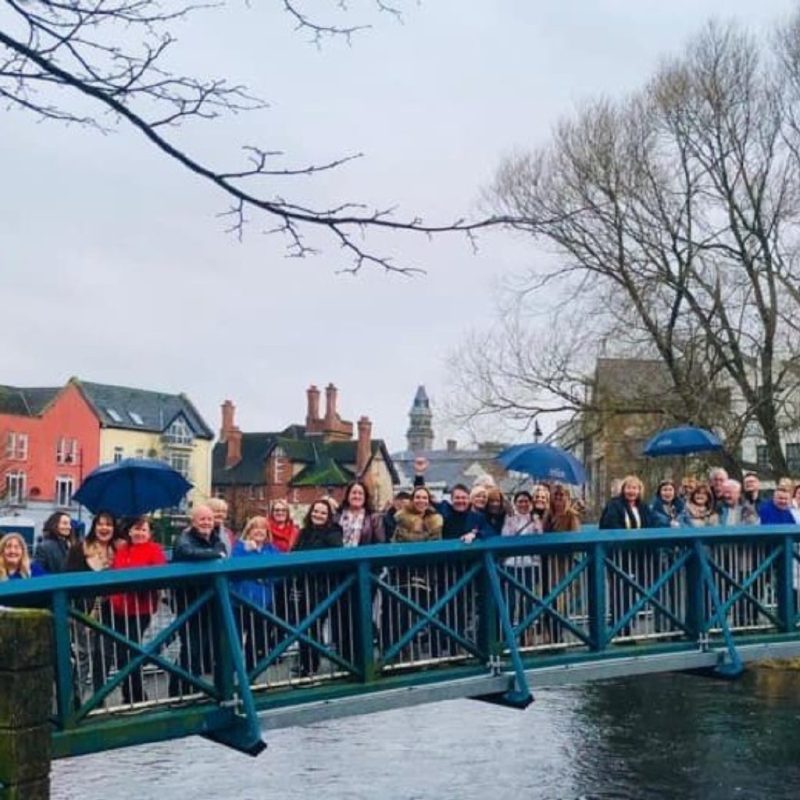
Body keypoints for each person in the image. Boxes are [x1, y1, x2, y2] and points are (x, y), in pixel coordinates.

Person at [65, 512, 125, 696]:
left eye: (109, 524)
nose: (104, 528)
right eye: (100, 524)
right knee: (82, 656)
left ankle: (99, 699)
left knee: (104, 656)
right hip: (82, 611)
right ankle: (75, 701)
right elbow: (68, 578)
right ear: (94, 526)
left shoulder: (119, 550)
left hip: (110, 611)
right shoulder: (79, 549)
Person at [170, 505, 227, 696]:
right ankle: (179, 690)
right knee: (191, 647)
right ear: (193, 522)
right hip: (189, 601)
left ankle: (197, 687)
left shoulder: (214, 538)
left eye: (209, 520)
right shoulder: (184, 539)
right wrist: (216, 556)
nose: (206, 523)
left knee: (206, 647)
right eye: (202, 519)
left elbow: (222, 548)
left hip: (209, 600)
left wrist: (216, 553)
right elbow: (188, 553)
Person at [110, 516, 167, 704]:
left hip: (140, 608)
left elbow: (159, 575)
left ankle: (135, 695)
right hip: (118, 608)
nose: (140, 533)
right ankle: (133, 693)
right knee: (121, 654)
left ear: (149, 533)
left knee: (130, 651)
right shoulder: (122, 550)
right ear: (130, 531)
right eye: (137, 529)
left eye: (144, 530)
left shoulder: (154, 550)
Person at [293, 500, 344, 677]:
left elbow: (336, 554)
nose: (318, 515)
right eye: (315, 511)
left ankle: (341, 662)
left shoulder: (334, 532)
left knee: (329, 625)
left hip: (327, 586)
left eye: (323, 513)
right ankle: (307, 663)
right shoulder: (304, 533)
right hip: (306, 585)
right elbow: (293, 554)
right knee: (306, 626)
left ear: (329, 516)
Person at [231, 516, 281, 673]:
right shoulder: (240, 547)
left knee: (258, 640)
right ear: (249, 531)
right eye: (255, 528)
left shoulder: (272, 549)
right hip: (240, 602)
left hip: (263, 603)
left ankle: (251, 675)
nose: (259, 531)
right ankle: (233, 677)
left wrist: (263, 577)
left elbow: (279, 572)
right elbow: (234, 570)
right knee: (235, 641)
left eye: (263, 528)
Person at [336, 480, 385, 546]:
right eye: (354, 493)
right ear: (348, 496)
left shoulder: (374, 518)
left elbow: (380, 543)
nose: (357, 496)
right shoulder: (337, 517)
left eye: (360, 493)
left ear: (365, 497)